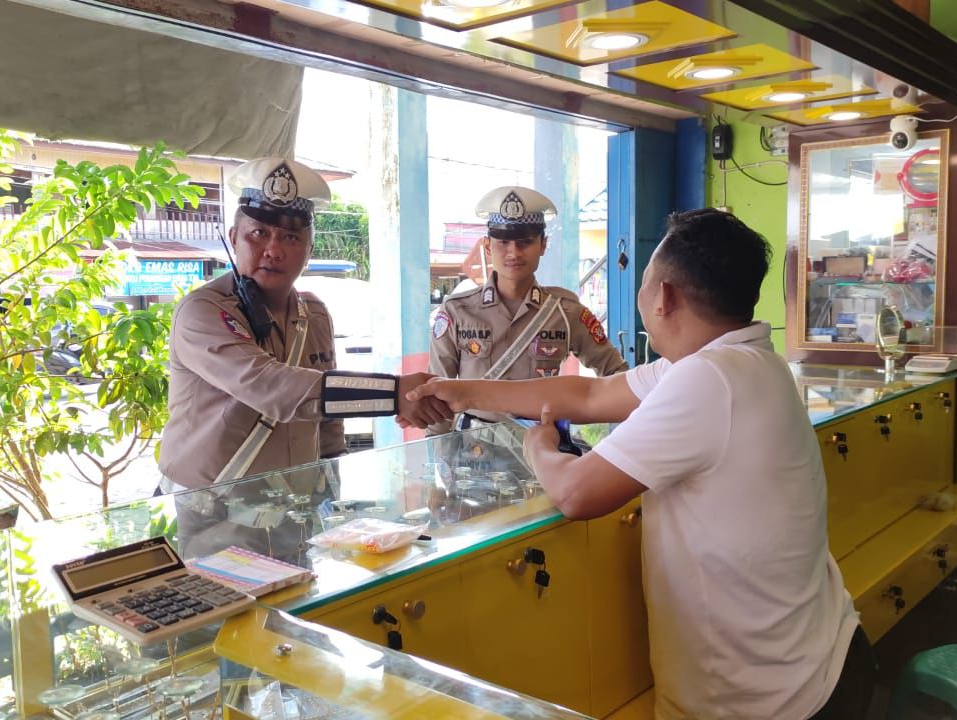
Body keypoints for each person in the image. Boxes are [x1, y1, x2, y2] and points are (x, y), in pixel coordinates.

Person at [407, 208, 871, 720]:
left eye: (645, 281)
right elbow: (589, 394)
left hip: (779, 701)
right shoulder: (745, 361)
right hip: (820, 657)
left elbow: (576, 493)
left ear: (663, 295)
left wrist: (539, 446)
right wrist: (462, 391)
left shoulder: (707, 380)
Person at [157, 157, 451, 552]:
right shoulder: (204, 311)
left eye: (290, 237)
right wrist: (395, 394)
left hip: (295, 516)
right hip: (215, 517)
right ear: (234, 236)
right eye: (259, 233)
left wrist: (332, 491)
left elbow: (327, 423)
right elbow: (270, 387)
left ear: (308, 250)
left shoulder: (314, 313)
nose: (273, 249)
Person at [428, 186, 626, 433]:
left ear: (543, 245)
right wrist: (438, 453)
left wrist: (618, 438)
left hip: (541, 446)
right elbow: (436, 399)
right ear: (487, 246)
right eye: (503, 242)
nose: (513, 252)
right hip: (474, 449)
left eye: (525, 242)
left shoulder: (565, 312)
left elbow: (618, 377)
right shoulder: (458, 312)